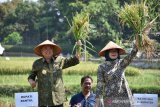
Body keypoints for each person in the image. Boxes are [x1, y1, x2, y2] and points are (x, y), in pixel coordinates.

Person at [28, 39, 80, 107]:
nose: (48, 51)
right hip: (44, 100)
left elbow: (74, 60)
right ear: (41, 51)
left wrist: (78, 47)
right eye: (45, 49)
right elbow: (31, 76)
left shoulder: (60, 60)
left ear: (53, 51)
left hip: (58, 98)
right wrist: (32, 82)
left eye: (50, 49)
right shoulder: (37, 63)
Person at [95, 41, 138, 107]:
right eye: (111, 51)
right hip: (109, 99)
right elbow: (99, 85)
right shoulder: (102, 67)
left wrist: (137, 43)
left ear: (118, 53)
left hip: (124, 98)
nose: (113, 53)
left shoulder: (121, 64)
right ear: (107, 53)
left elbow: (132, 55)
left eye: (115, 51)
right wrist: (97, 103)